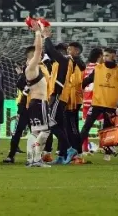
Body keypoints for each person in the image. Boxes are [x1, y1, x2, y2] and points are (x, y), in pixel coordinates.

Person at [41, 29, 79, 164]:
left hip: (58, 96)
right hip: (60, 96)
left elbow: (50, 50)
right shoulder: (61, 63)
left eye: (59, 52)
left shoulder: (66, 60)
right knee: (61, 126)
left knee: (51, 123)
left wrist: (46, 37)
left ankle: (69, 149)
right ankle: (62, 156)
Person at [80, 48, 118, 161]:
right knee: (86, 127)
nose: (104, 58)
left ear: (114, 56)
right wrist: (78, 88)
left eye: (107, 55)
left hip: (111, 105)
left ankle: (107, 153)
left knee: (107, 130)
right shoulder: (98, 68)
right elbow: (87, 80)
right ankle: (77, 151)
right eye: (104, 55)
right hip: (96, 103)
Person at [25, 20, 51, 167]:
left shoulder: (31, 69)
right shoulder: (31, 67)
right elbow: (38, 49)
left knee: (35, 132)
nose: (39, 57)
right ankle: (36, 159)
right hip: (39, 102)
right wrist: (38, 33)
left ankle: (31, 159)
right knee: (45, 131)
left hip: (35, 102)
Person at [81, 48, 103, 155]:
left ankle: (84, 148)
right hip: (97, 100)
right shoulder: (100, 68)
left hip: (86, 99)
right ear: (99, 56)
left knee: (86, 125)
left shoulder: (85, 67)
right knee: (103, 123)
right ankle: (103, 146)